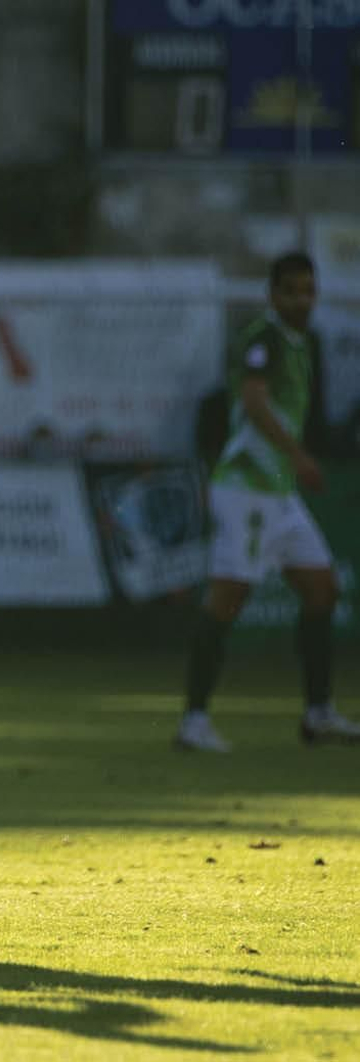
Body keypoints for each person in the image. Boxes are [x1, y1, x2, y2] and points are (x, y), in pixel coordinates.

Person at [176, 251, 359, 751]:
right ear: (273, 295)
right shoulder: (265, 339)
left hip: (278, 493)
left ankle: (318, 714)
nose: (303, 299)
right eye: (293, 290)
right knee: (228, 599)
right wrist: (298, 454)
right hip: (247, 490)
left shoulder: (304, 344)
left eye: (309, 289)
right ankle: (193, 721)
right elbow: (254, 400)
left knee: (323, 589)